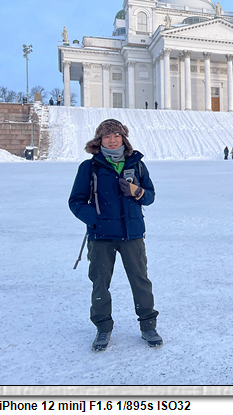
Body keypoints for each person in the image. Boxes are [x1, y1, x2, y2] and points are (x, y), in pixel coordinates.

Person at [69, 119, 162, 352]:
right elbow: (76, 201)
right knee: (100, 283)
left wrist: (137, 192)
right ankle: (103, 328)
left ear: (123, 138)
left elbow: (150, 197)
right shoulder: (90, 167)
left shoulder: (137, 165)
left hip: (132, 234)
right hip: (101, 236)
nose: (112, 140)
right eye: (107, 136)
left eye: (116, 135)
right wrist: (95, 219)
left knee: (140, 281)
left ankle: (148, 326)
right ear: (99, 140)